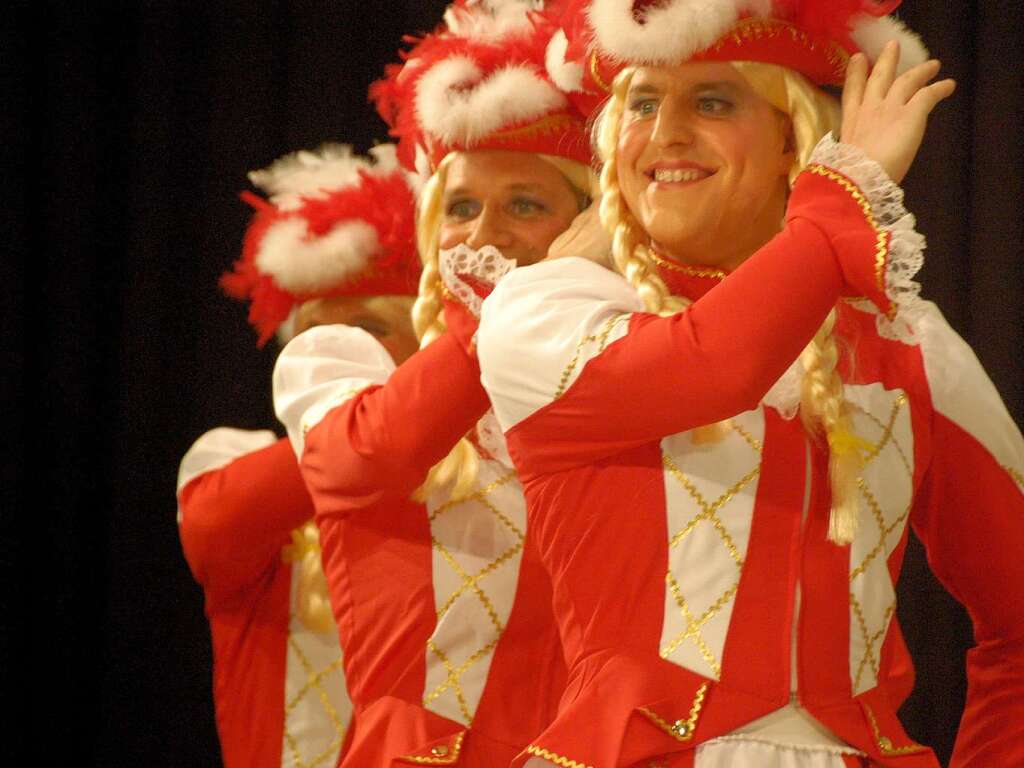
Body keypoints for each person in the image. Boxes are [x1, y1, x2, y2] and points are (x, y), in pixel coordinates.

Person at [476, 1, 1018, 766]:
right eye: (641, 103)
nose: (664, 133)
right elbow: (714, 366)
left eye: (712, 101)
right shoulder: (547, 312)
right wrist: (842, 196)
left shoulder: (909, 341)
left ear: (795, 136)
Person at [272, 2, 595, 765]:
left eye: (524, 204)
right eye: (460, 208)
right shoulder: (340, 365)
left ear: (586, 229)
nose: (483, 236)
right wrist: (509, 318)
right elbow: (370, 457)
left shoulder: (617, 374)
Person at [176, 143, 419, 768]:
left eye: (369, 329)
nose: (335, 355)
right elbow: (213, 525)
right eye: (315, 336)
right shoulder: (234, 458)